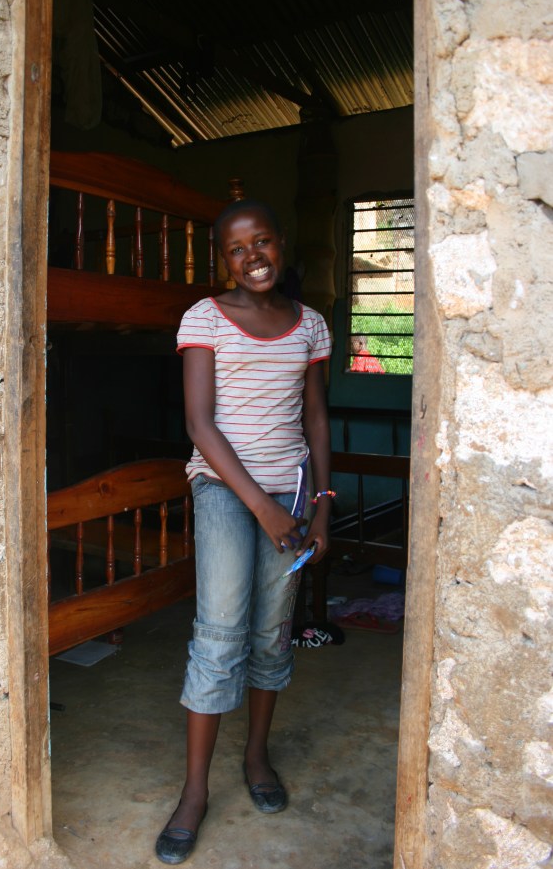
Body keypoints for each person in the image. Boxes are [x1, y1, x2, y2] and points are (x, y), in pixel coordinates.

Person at [155, 199, 334, 864]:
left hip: (291, 492)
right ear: (221, 259)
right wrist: (263, 507)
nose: (252, 255)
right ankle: (194, 790)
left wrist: (319, 506)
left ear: (280, 245)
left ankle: (256, 757)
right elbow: (201, 424)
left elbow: (316, 416)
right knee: (222, 627)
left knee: (270, 628)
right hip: (227, 491)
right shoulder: (204, 318)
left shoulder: (310, 324)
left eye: (262, 241)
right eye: (237, 248)